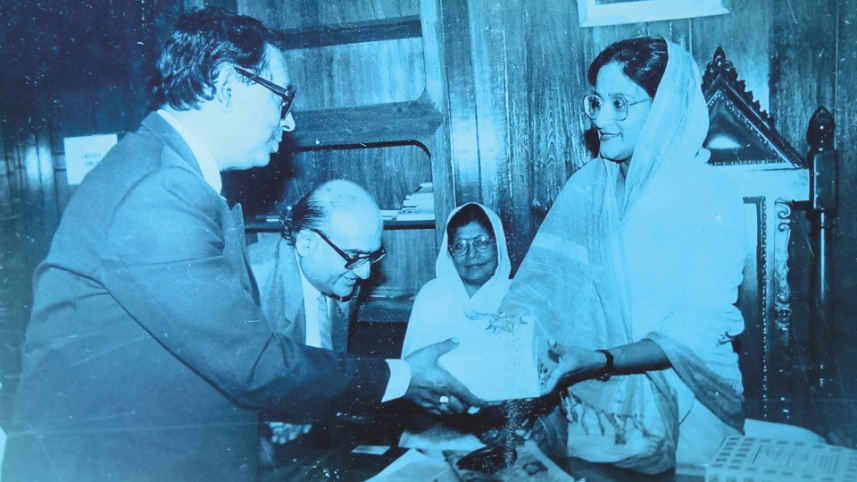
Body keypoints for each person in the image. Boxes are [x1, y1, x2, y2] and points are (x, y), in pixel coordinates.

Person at [2, 8, 479, 482]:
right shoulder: (161, 190)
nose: (288, 123)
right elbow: (253, 364)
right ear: (228, 84)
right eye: (282, 99)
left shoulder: (171, 173)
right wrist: (401, 375)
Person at [502, 36, 746, 473]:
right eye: (596, 102)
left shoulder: (711, 196)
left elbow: (696, 331)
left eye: (620, 103)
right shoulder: (586, 186)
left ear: (665, 109)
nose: (602, 120)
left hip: (689, 402)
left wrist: (599, 361)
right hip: (591, 408)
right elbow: (541, 293)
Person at [247, 179, 385, 451]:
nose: (365, 273)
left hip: (316, 432)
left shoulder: (344, 273)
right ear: (307, 243)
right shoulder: (253, 279)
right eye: (355, 256)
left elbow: (329, 363)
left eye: (371, 256)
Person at [401, 202, 512, 357]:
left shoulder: (519, 296)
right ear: (449, 253)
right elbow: (415, 368)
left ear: (498, 245)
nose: (471, 254)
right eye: (459, 246)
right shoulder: (432, 296)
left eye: (482, 242)